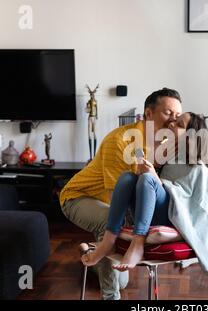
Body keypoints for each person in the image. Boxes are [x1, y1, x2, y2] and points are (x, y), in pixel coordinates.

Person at [59, 88, 183, 300]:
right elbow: (120, 199)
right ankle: (110, 296)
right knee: (109, 220)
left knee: (122, 279)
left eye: (178, 116)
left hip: (110, 203)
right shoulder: (120, 141)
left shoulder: (167, 143)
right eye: (168, 113)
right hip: (78, 197)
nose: (174, 121)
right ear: (149, 114)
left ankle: (90, 252)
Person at [80, 112, 208, 271]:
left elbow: (191, 205)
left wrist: (155, 179)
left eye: (180, 124)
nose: (172, 124)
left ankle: (138, 244)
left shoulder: (198, 168)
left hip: (173, 217)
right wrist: (150, 168)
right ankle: (108, 240)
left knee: (148, 179)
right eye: (174, 121)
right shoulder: (166, 155)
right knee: (127, 177)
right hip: (148, 212)